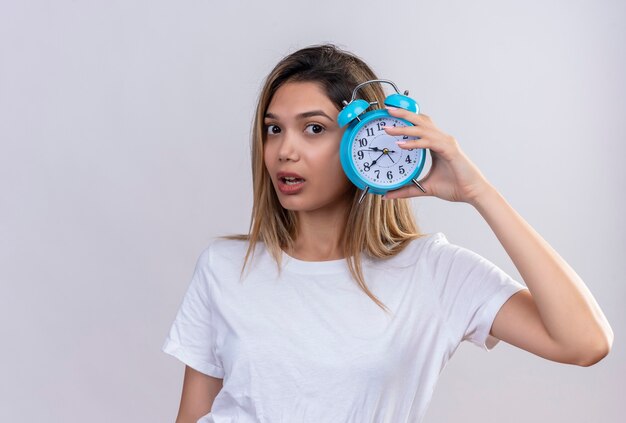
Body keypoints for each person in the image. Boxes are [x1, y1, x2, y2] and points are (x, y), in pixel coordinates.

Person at [161, 43, 613, 423]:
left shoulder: (433, 273)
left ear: (366, 137)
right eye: (273, 129)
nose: (284, 151)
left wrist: (479, 192)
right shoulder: (224, 266)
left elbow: (585, 343)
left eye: (313, 128)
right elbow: (192, 415)